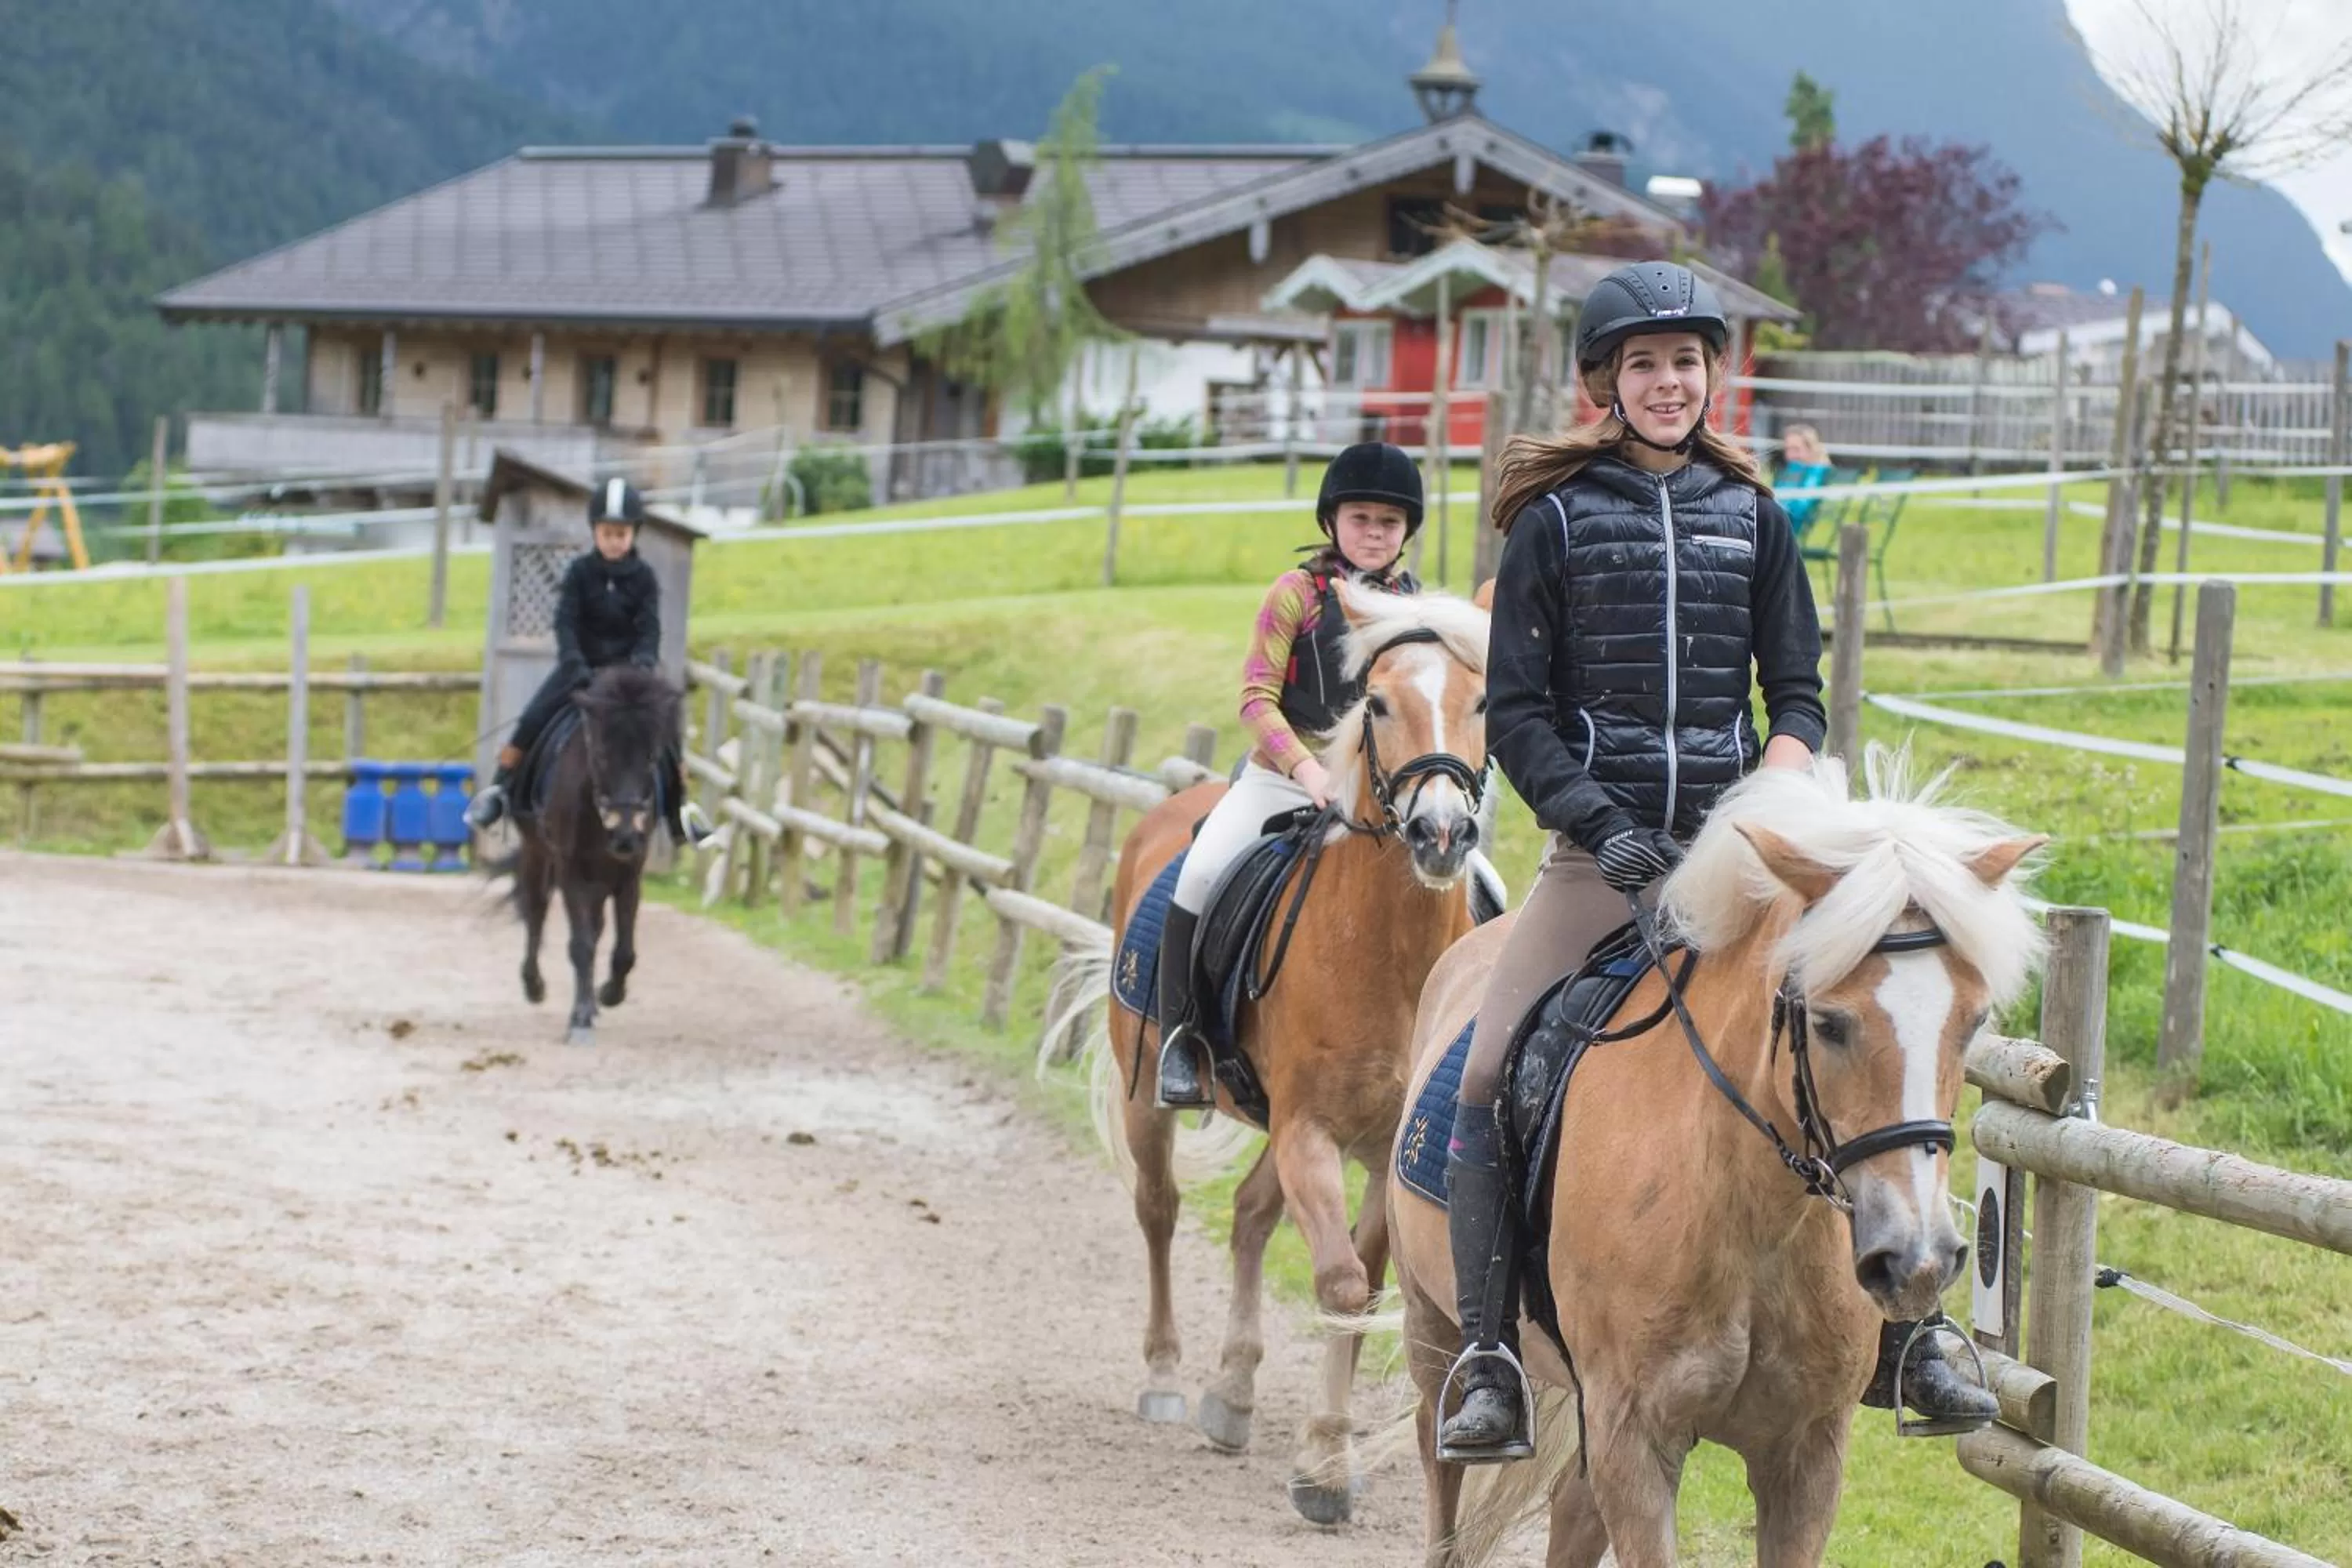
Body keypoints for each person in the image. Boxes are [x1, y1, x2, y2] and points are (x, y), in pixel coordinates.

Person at [1435, 262, 1994, 1462]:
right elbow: (1518, 715)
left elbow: (1796, 690)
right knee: (1486, 1072)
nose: (1669, 382)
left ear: (1711, 376)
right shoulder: (1552, 524)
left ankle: (1913, 1332)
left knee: (1886, 1043)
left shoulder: (1758, 517)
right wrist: (1597, 817)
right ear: (1605, 385)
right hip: (1602, 862)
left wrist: (1774, 796)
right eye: (1644, 365)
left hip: (1745, 864)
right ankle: (1487, 1357)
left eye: (1686, 362)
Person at [1151, 441, 1425, 1109]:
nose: (1374, 533)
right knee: (1202, 871)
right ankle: (1185, 1040)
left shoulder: (1418, 609)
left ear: (1406, 532)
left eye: (1389, 523)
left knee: (1485, 884)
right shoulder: (1295, 595)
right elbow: (1255, 696)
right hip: (1282, 776)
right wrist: (1305, 768)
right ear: (1333, 522)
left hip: (1382, 791)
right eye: (1361, 519)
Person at [466, 478, 712, 848]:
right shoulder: (580, 572)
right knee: (531, 719)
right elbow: (566, 623)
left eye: (622, 534)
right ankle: (499, 792)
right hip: (579, 671)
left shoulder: (644, 577)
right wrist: (575, 665)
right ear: (595, 532)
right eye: (608, 533)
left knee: (668, 732)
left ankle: (681, 811)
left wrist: (643, 665)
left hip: (630, 678)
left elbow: (649, 629)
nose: (615, 540)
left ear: (633, 535)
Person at [1775, 423, 1834, 535]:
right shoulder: (1792, 470)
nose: (1791, 455)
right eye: (1788, 449)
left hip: (1790, 528)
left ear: (1811, 449)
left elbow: (1799, 508)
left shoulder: (1816, 472)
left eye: (1796, 449)